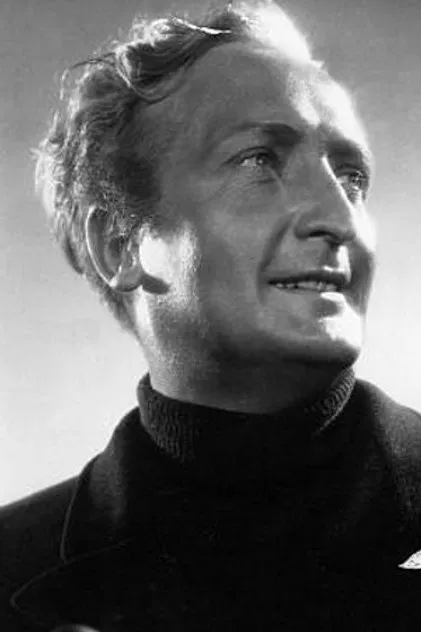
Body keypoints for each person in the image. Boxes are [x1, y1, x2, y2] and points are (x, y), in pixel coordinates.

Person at [2, 1, 421, 630]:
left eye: (352, 176)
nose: (340, 218)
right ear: (119, 245)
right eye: (260, 160)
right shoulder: (13, 565)